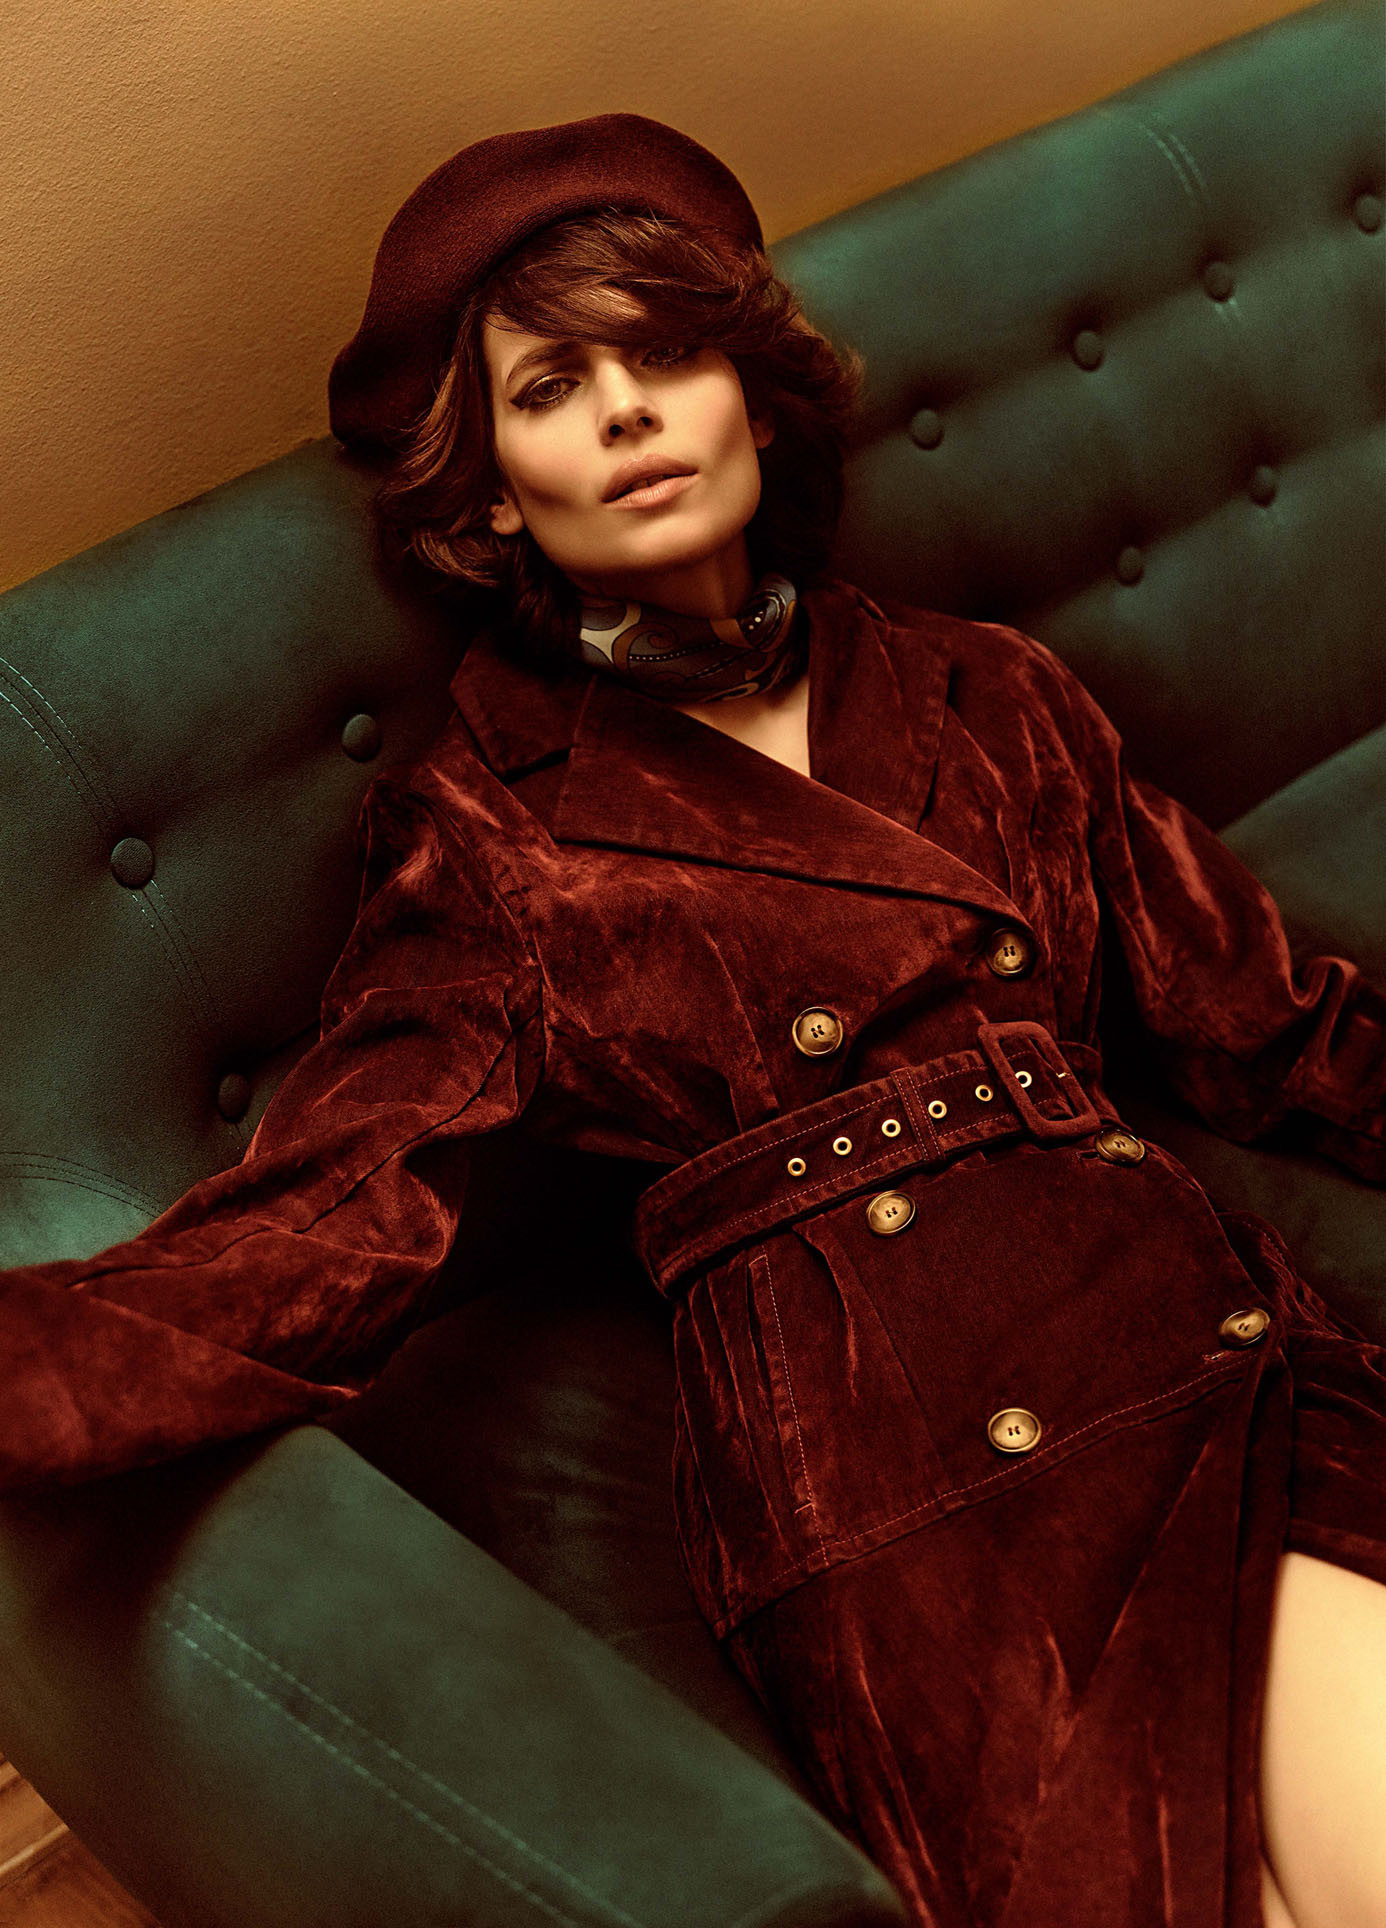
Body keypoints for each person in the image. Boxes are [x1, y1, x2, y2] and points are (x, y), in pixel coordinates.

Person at [2, 112, 1384, 1928]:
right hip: (901, 1479)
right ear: (493, 493)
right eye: (552, 387)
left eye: (664, 352)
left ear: (754, 393)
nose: (627, 415)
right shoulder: (488, 827)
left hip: (1200, 1344)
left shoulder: (984, 688)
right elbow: (329, 1224)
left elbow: (1262, 1021)